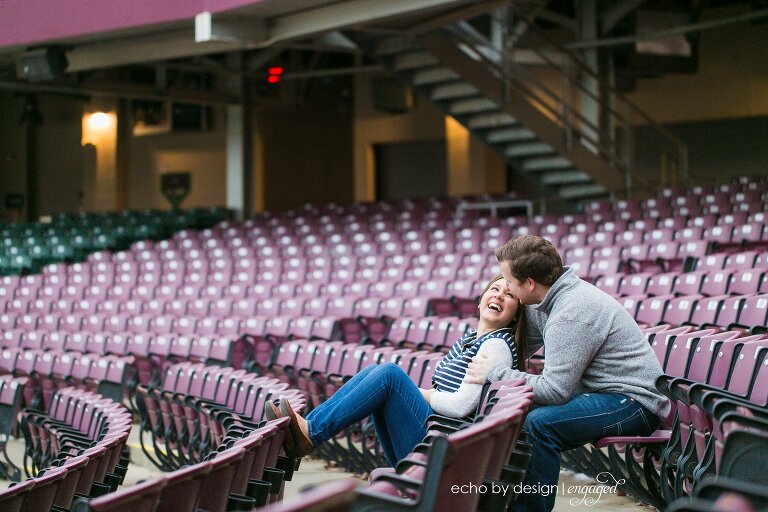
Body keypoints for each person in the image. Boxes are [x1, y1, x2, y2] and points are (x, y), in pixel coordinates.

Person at [465, 235, 671, 512]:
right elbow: (513, 345)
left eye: (509, 283)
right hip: (598, 393)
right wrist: (467, 362)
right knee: (505, 407)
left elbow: (554, 391)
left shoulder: (571, 313)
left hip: (633, 403)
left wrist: (495, 372)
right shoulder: (544, 301)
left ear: (529, 284)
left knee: (539, 424)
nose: (507, 289)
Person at [266, 274, 527, 466]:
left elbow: (461, 407)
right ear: (480, 302)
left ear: (516, 314)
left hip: (444, 446)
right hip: (436, 433)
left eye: (509, 294)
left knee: (388, 375)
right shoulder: (469, 339)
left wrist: (418, 393)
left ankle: (311, 432)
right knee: (374, 371)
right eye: (494, 289)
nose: (499, 295)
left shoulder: (496, 346)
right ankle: (309, 428)